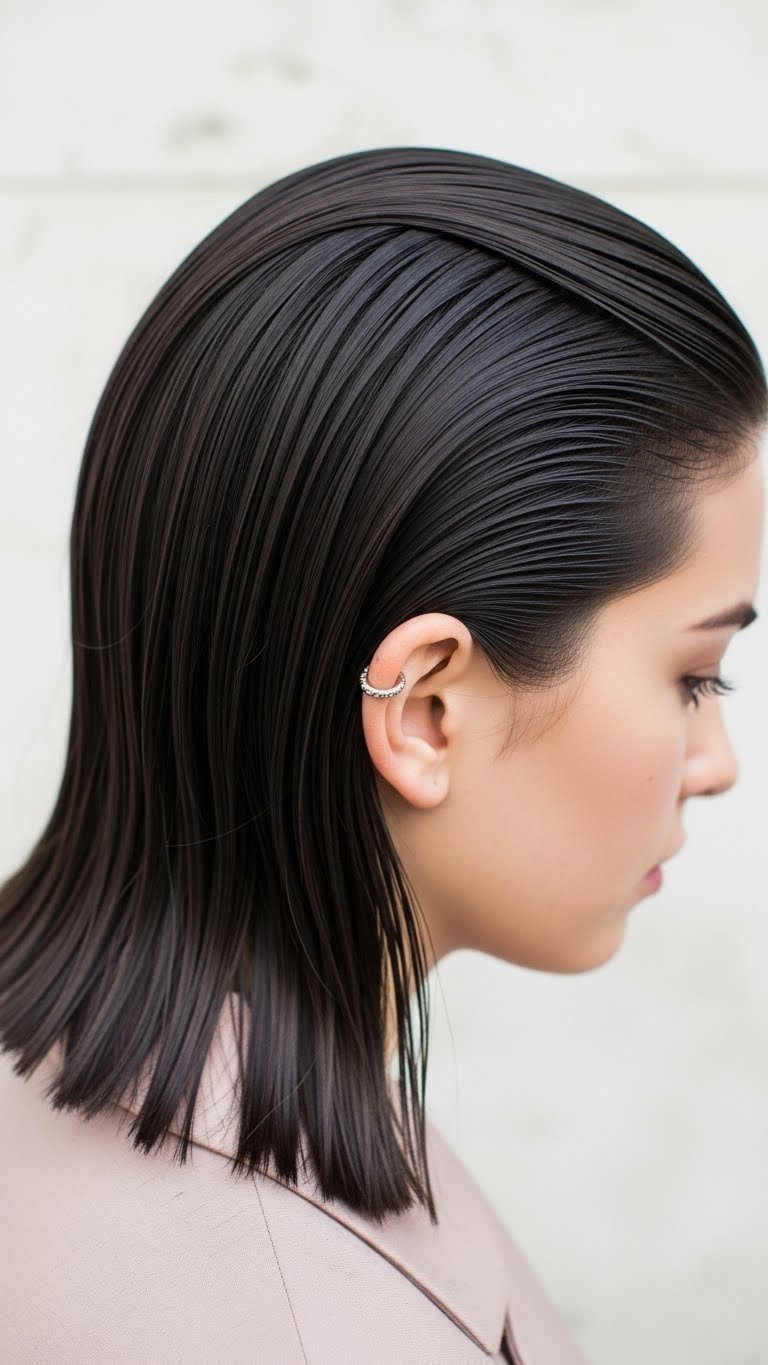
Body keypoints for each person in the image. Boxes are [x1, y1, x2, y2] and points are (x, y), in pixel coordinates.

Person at [0, 146, 765, 1364]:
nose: (715, 760)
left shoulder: (162, 1093)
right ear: (421, 710)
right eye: (694, 677)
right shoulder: (272, 1312)